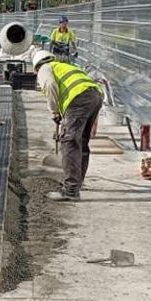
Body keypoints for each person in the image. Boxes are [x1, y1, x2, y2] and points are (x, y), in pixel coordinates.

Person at [31, 49, 103, 201]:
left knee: (69, 142)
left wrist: (55, 112)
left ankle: (70, 191)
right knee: (81, 142)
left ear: (36, 66)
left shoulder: (45, 69)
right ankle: (77, 183)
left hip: (78, 99)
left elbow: (50, 86)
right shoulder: (65, 66)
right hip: (95, 95)